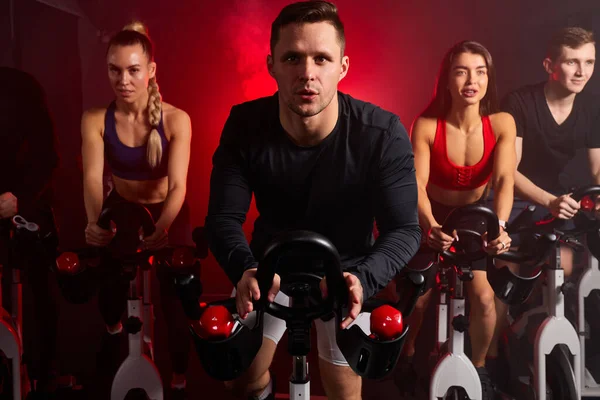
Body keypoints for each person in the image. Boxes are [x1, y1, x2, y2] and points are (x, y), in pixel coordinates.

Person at [204, 2, 421, 399]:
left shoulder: (382, 133)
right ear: (272, 64)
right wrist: (245, 269)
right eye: (293, 58)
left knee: (343, 390)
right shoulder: (244, 124)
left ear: (342, 66)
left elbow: (405, 229)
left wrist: (364, 279)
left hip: (348, 272)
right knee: (241, 380)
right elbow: (222, 218)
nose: (307, 74)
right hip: (269, 269)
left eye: (321, 59)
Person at [395, 41, 517, 400]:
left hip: (476, 218)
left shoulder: (502, 123)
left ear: (488, 78)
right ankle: (407, 356)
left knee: (482, 298)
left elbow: (506, 180)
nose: (471, 80)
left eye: (480, 71)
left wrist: (502, 226)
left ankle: (479, 369)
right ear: (447, 79)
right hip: (429, 214)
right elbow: (416, 182)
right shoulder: (427, 124)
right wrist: (429, 223)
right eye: (461, 71)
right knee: (418, 298)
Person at [80, 22, 192, 397]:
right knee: (108, 293)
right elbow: (94, 180)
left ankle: (178, 379)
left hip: (166, 211)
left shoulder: (177, 120)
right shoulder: (95, 119)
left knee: (175, 301)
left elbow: (178, 187)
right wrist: (94, 223)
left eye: (133, 70)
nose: (123, 80)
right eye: (114, 69)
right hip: (122, 209)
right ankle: (115, 344)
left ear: (151, 71)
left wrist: (161, 228)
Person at [487, 26, 598, 384]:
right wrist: (548, 200)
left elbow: (598, 171)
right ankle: (492, 357)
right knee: (508, 271)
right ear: (550, 64)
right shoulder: (520, 102)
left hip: (561, 202)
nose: (581, 71)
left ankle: (531, 328)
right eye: (572, 62)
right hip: (517, 199)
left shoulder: (591, 109)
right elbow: (508, 171)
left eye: (589, 62)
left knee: (565, 265)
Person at [0, 67, 60, 395]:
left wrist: (19, 200)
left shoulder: (22, 87)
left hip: (26, 205)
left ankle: (44, 374)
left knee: (38, 288)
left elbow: (49, 157)